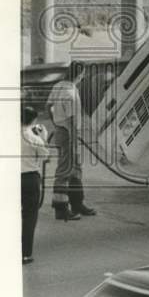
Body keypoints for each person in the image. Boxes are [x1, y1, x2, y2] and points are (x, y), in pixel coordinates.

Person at [48, 74, 95, 220]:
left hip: (62, 130)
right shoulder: (70, 93)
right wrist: (73, 140)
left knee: (75, 169)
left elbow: (48, 106)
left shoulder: (58, 86)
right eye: (83, 74)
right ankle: (60, 209)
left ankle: (77, 204)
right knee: (65, 170)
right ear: (79, 74)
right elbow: (71, 120)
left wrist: (56, 124)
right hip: (69, 133)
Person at [21, 106, 50, 263]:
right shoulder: (34, 138)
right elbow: (45, 157)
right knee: (29, 215)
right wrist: (43, 138)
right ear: (33, 120)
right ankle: (25, 253)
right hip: (30, 178)